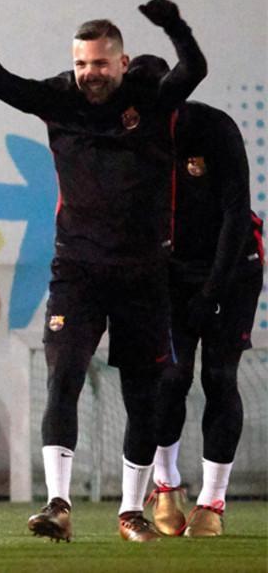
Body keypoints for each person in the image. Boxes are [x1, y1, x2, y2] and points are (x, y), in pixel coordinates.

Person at [0, 0, 207, 542]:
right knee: (63, 375)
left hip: (144, 272)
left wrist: (174, 26)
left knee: (144, 394)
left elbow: (194, 71)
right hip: (78, 270)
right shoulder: (59, 99)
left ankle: (132, 511)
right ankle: (58, 505)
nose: (90, 73)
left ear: (122, 63)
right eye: (82, 63)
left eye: (100, 63)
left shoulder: (152, 99)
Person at [127, 56, 264, 538]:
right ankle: (165, 487)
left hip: (233, 269)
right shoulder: (129, 135)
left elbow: (235, 214)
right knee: (171, 377)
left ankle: (213, 502)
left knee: (220, 376)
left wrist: (210, 291)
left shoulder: (214, 128)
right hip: (167, 272)